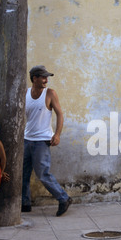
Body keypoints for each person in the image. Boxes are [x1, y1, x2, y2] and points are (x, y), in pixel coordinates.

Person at [22, 65, 72, 216]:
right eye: (43, 77)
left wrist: (57, 134)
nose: (46, 80)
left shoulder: (50, 93)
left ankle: (63, 198)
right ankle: (25, 203)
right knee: (22, 174)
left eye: (47, 77)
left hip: (42, 140)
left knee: (43, 173)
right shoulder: (25, 93)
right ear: (34, 78)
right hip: (26, 139)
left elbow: (60, 114)